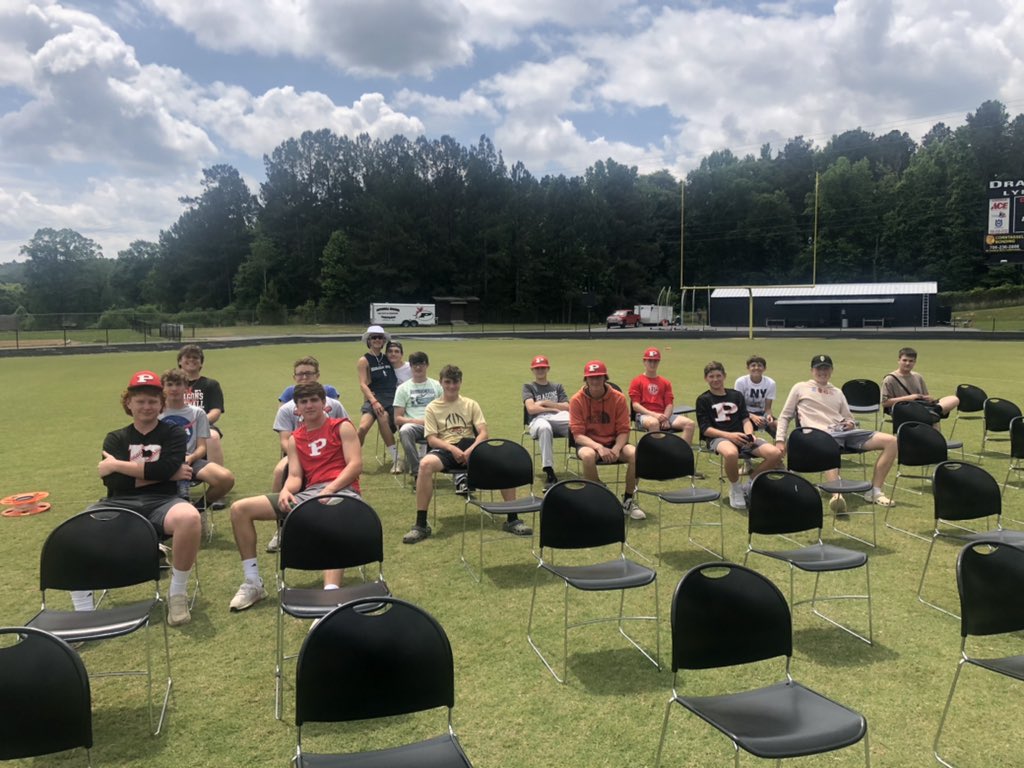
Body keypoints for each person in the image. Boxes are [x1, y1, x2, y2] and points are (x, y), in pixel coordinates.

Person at [228, 382, 362, 612]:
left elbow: (355, 465)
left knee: (330, 512)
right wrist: (286, 490)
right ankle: (253, 583)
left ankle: (330, 595)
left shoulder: (342, 427)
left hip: (344, 491)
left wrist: (331, 489)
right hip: (311, 494)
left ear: (324, 404)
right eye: (303, 402)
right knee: (240, 509)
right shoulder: (295, 439)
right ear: (297, 408)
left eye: (314, 400)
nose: (309, 405)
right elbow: (297, 476)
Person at [84, 370, 201, 626]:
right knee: (80, 526)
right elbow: (113, 481)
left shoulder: (174, 434)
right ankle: (83, 611)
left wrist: (118, 465)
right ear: (128, 403)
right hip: (119, 501)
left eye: (152, 401)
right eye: (140, 400)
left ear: (161, 403)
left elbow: (169, 468)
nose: (146, 406)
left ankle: (177, 593)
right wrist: (167, 475)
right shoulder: (115, 437)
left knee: (190, 517)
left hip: (163, 502)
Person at [402, 364, 528, 543]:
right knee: (425, 464)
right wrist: (452, 449)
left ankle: (513, 519)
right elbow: (431, 439)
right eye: (448, 382)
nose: (451, 386)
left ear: (460, 382)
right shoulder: (432, 407)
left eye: (455, 382)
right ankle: (421, 524)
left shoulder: (470, 404)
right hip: (446, 448)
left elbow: (483, 433)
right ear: (441, 383)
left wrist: (471, 450)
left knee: (502, 462)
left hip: (471, 447)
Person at [776, 354, 898, 512]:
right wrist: (780, 440)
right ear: (812, 370)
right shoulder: (800, 387)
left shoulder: (837, 392)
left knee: (892, 441)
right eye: (819, 368)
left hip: (842, 432)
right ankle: (837, 495)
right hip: (815, 435)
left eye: (826, 368)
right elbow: (785, 416)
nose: (822, 372)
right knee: (829, 443)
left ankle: (875, 491)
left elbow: (849, 418)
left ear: (832, 370)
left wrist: (849, 424)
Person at [267, 357, 349, 552]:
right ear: (294, 377)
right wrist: (303, 456)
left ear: (317, 376)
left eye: (309, 373)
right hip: (296, 452)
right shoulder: (287, 409)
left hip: (327, 454)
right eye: (300, 374)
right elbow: (285, 441)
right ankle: (280, 528)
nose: (305, 377)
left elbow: (343, 433)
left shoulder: (333, 405)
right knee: (280, 471)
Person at [696, 361, 783, 509]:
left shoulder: (736, 395)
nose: (715, 379)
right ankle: (735, 488)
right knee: (731, 453)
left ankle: (750, 483)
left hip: (742, 435)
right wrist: (730, 436)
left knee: (775, 453)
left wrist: (750, 435)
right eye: (711, 376)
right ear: (706, 379)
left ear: (724, 376)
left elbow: (745, 418)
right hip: (718, 437)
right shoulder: (703, 399)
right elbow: (706, 429)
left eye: (718, 375)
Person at [160, 368, 236, 530]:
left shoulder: (198, 413)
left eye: (178, 384)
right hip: (163, 462)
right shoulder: (157, 412)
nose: (174, 389)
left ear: (186, 388)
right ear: (163, 388)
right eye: (170, 384)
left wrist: (191, 458)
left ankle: (198, 510)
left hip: (191, 460)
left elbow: (202, 447)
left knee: (226, 479)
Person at [570, 360, 646, 520]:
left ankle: (628, 500)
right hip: (589, 442)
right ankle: (597, 499)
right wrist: (598, 447)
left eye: (598, 377)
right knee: (588, 456)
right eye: (591, 378)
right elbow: (578, 435)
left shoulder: (618, 398)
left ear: (605, 378)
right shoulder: (576, 400)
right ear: (586, 379)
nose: (595, 381)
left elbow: (624, 429)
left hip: (614, 442)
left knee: (636, 454)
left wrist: (617, 448)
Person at [393, 351, 442, 484]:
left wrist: (432, 422)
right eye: (415, 364)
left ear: (427, 365)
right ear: (411, 366)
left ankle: (460, 476)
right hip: (414, 426)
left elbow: (444, 410)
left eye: (422, 364)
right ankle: (417, 472)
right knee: (404, 431)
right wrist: (419, 421)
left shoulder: (437, 386)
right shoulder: (403, 388)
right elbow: (397, 418)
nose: (418, 367)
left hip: (436, 425)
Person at [522, 354, 571, 491]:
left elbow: (567, 406)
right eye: (537, 368)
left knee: (575, 423)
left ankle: (587, 459)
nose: (540, 370)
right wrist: (553, 407)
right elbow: (531, 409)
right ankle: (549, 472)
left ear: (548, 369)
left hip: (558, 417)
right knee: (545, 428)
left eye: (543, 367)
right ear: (532, 370)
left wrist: (544, 403)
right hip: (538, 420)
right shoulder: (528, 387)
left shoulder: (557, 386)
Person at [356, 325, 400, 473]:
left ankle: (396, 459)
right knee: (361, 428)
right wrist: (373, 401)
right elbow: (362, 384)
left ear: (383, 341)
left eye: (380, 337)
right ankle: (353, 459)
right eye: (374, 337)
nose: (377, 340)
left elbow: (402, 365)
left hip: (391, 398)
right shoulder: (364, 360)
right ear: (369, 340)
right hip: (374, 398)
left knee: (383, 417)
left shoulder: (388, 357)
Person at [628, 347, 695, 443]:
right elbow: (636, 406)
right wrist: (655, 415)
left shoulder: (665, 382)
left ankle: (682, 455)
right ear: (644, 361)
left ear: (658, 362)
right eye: (650, 361)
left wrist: (665, 418)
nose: (652, 364)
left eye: (655, 361)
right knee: (654, 423)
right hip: (644, 415)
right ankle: (660, 453)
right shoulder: (637, 381)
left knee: (690, 424)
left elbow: (669, 404)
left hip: (663, 415)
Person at [177, 344, 226, 470]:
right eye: (187, 357)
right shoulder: (171, 385)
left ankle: (218, 477)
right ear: (180, 362)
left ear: (201, 363)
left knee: (213, 436)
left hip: (203, 425)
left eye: (196, 358)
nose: (192, 360)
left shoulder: (211, 385)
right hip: (174, 424)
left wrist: (196, 423)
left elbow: (215, 411)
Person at [881, 347, 960, 420]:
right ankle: (931, 414)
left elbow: (926, 396)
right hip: (902, 409)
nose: (907, 363)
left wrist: (929, 399)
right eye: (904, 360)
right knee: (933, 420)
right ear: (899, 361)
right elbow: (885, 403)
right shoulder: (890, 379)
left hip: (922, 407)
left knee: (954, 399)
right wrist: (910, 398)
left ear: (915, 362)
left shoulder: (918, 376)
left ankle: (934, 411)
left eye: (911, 361)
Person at [733, 354, 777, 439]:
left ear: (764, 368)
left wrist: (769, 416)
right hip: (744, 414)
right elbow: (738, 407)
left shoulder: (770, 383)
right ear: (748, 368)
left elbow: (768, 408)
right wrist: (752, 416)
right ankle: (749, 449)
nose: (756, 368)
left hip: (761, 414)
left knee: (779, 427)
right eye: (753, 365)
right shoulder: (741, 382)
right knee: (749, 435)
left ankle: (780, 450)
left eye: (760, 365)